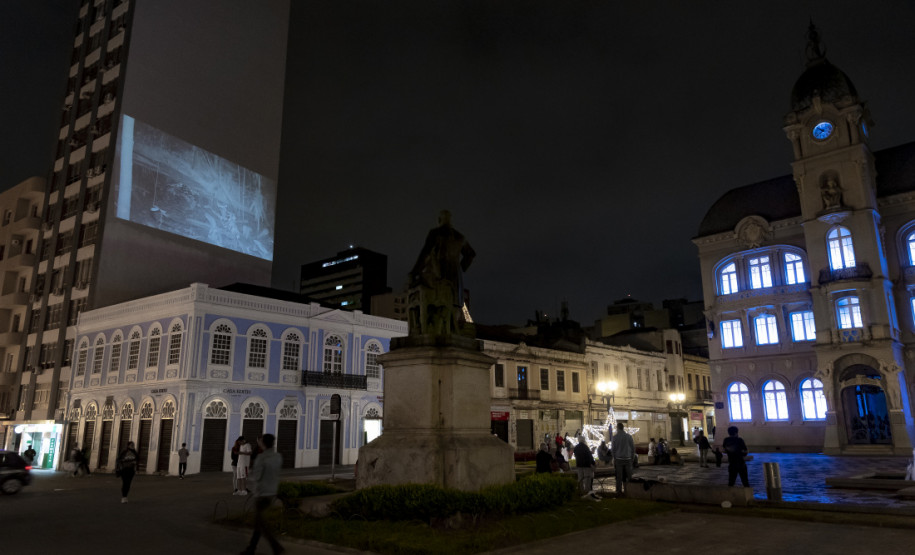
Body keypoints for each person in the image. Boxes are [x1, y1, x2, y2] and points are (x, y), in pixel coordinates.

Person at [242, 434, 284, 555]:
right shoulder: (278, 457)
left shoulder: (261, 458)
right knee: (259, 524)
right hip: (273, 493)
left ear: (263, 443)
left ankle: (276, 546)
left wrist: (250, 476)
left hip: (262, 494)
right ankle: (251, 549)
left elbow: (257, 477)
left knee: (261, 524)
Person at [610, 422, 634, 496]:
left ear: (617, 428)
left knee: (619, 476)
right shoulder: (629, 436)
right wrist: (632, 458)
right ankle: (630, 490)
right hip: (628, 458)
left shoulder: (615, 437)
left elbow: (613, 449)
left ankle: (619, 491)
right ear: (623, 428)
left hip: (619, 459)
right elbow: (633, 448)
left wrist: (614, 458)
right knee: (629, 475)